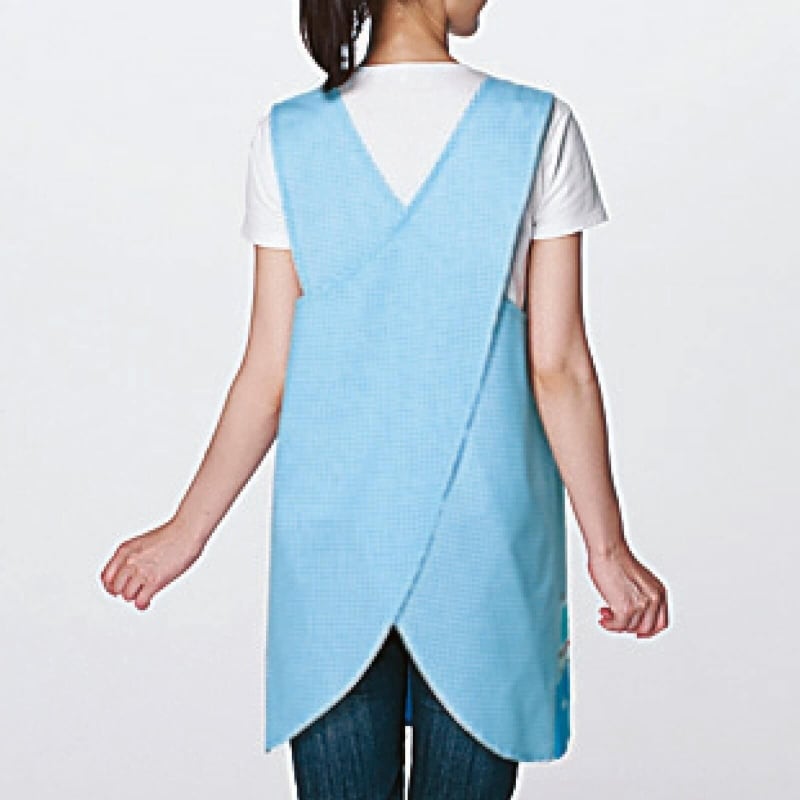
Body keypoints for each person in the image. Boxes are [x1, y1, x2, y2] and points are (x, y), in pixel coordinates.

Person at [100, 1, 669, 798]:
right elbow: (559, 366)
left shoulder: (288, 135)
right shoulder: (537, 126)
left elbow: (269, 370)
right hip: (485, 545)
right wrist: (607, 550)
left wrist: (184, 531)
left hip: (333, 552)